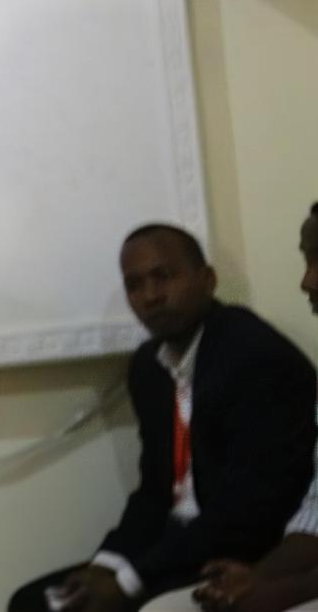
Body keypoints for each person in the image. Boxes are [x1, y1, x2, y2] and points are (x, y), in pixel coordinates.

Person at [8, 223, 316, 612]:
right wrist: (106, 566)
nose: (151, 296)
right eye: (134, 285)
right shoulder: (148, 367)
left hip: (242, 549)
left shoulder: (255, 357)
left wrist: (129, 581)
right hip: (176, 543)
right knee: (34, 602)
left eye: (164, 276)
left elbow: (249, 511)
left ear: (207, 280)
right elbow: (154, 491)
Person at [138, 203, 318, 612]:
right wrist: (257, 576)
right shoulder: (147, 365)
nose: (307, 281)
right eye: (307, 260)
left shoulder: (253, 353)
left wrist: (284, 591)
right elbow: (315, 513)